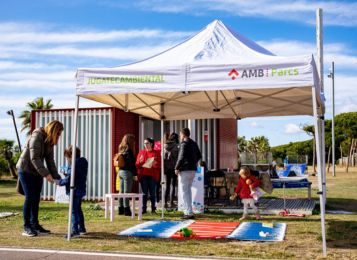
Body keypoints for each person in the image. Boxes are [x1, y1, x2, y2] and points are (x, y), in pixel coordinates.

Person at [16, 120, 63, 237]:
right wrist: (46, 174)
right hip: (25, 169)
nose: (59, 136)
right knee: (30, 197)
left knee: (36, 198)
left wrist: (57, 178)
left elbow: (50, 161)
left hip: (36, 171)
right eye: (58, 133)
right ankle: (27, 227)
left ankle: (35, 225)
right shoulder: (36, 136)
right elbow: (34, 158)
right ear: (53, 130)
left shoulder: (49, 141)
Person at [57, 146, 88, 238]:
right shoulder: (83, 162)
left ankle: (75, 231)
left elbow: (70, 179)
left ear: (70, 155)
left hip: (74, 190)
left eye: (67, 157)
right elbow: (77, 174)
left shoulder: (73, 164)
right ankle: (82, 228)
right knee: (78, 209)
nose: (67, 159)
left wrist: (60, 182)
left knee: (73, 211)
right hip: (81, 189)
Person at [175, 128, 202, 219]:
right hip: (193, 170)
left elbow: (181, 157)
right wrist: (193, 162)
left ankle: (188, 212)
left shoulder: (184, 144)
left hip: (185, 170)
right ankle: (189, 210)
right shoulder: (194, 143)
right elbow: (199, 155)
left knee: (184, 192)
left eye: (180, 135)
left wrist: (177, 168)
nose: (180, 136)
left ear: (183, 134)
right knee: (188, 191)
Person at [114, 134, 137, 216]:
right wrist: (135, 174)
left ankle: (120, 209)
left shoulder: (121, 148)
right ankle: (127, 210)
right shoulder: (129, 151)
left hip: (120, 172)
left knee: (121, 191)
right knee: (126, 192)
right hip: (127, 173)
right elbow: (131, 164)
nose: (134, 143)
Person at [136, 137, 161, 214]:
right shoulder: (141, 152)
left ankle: (153, 209)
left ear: (151, 144)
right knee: (144, 193)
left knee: (153, 193)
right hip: (144, 175)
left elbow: (160, 164)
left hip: (153, 175)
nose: (145, 145)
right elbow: (137, 164)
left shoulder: (156, 153)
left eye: (147, 143)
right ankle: (144, 209)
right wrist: (140, 162)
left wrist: (155, 164)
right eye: (144, 143)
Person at [163, 132, 179, 209]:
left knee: (167, 186)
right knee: (173, 185)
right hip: (173, 168)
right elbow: (179, 159)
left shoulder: (164, 146)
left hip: (166, 168)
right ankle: (171, 203)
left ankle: (165, 203)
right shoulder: (177, 146)